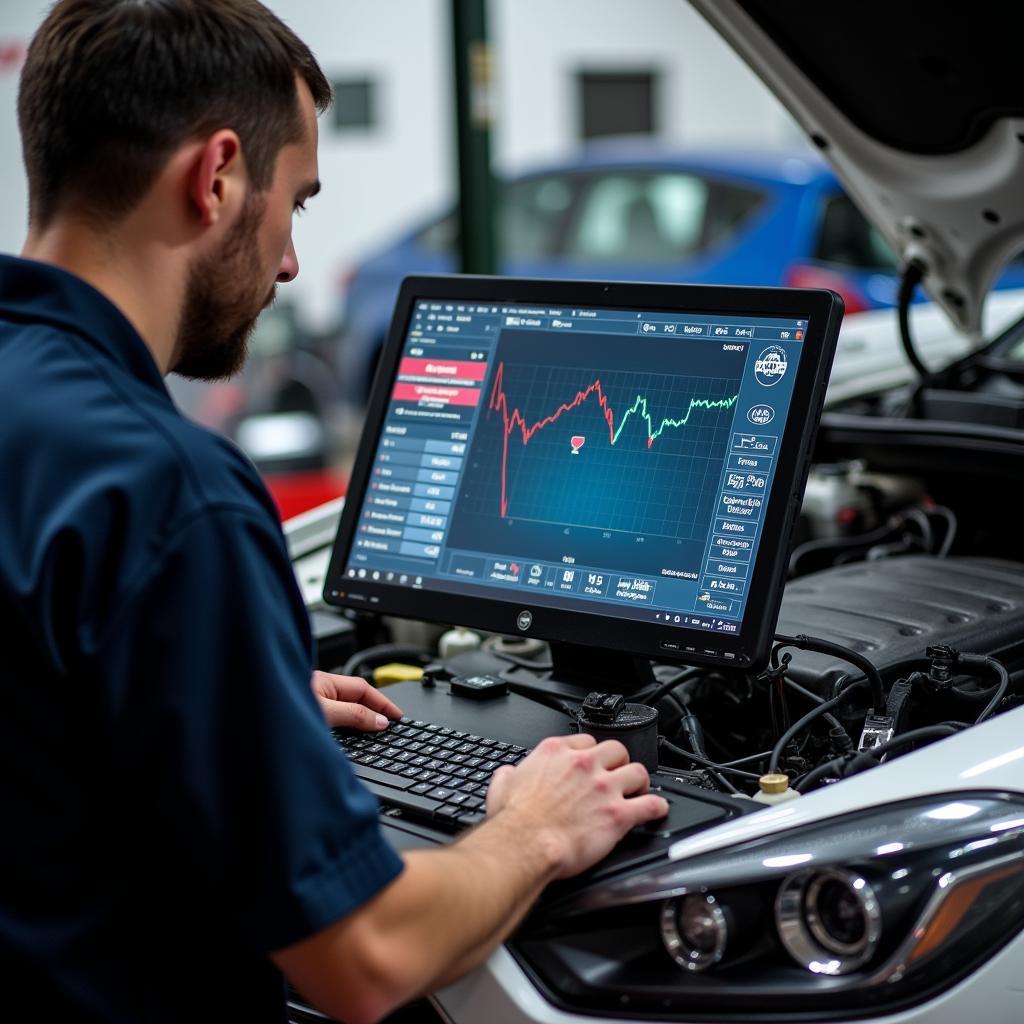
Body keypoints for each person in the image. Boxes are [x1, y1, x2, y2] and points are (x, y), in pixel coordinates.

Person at [0, 2, 668, 1022]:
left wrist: (212, 703)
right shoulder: (166, 491)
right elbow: (362, 957)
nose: (289, 265)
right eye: (295, 204)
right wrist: (533, 827)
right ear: (217, 175)